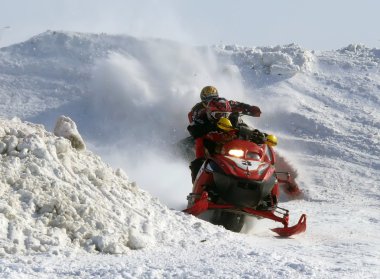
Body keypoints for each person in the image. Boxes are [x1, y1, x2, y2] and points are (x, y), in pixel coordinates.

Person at [187, 85, 262, 182]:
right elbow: (193, 121)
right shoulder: (198, 109)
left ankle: (256, 146)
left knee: (241, 124)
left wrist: (250, 109)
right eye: (208, 100)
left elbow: (238, 105)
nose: (211, 101)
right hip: (208, 130)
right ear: (203, 100)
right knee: (198, 142)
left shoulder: (224, 104)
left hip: (228, 127)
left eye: (214, 98)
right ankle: (199, 175)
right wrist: (199, 127)